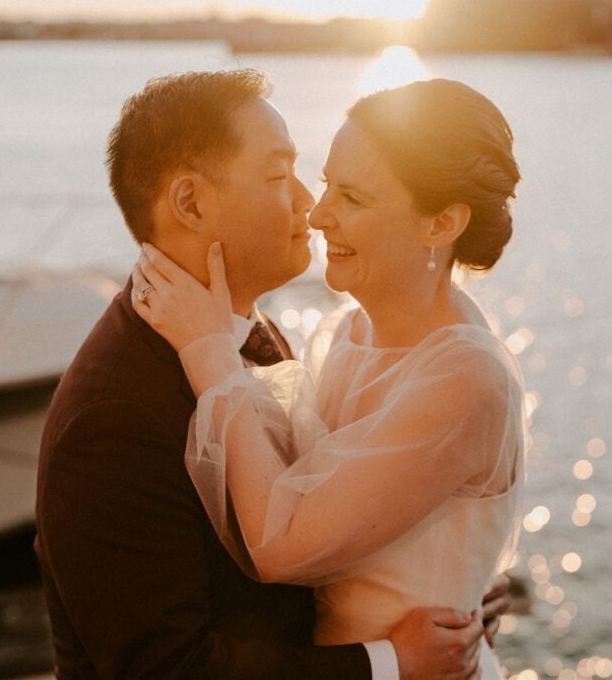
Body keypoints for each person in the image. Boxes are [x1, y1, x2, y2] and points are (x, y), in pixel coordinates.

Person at [35, 70, 511, 679]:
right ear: (190, 203)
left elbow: (339, 504)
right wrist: (387, 663)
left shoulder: (252, 337)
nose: (310, 207)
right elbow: (162, 668)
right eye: (277, 175)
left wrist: (447, 575)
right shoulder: (116, 413)